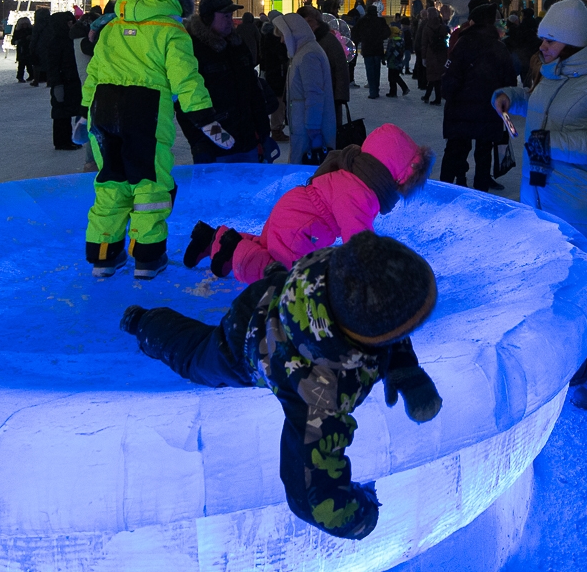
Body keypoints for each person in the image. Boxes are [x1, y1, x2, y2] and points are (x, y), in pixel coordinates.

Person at [121, 232, 440, 541]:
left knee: (288, 282)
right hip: (246, 339)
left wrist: (406, 370)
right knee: (196, 359)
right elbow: (311, 496)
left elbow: (386, 321)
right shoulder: (321, 390)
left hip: (290, 289)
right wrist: (361, 516)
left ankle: (253, 259)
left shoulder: (350, 268)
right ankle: (144, 322)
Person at [492, 0, 587, 410]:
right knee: (561, 280)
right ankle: (580, 357)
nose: (542, 45)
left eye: (550, 40)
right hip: (545, 193)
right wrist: (510, 98)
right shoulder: (555, 71)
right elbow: (543, 106)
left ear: (571, 41)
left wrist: (550, 145)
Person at [81, 0, 233, 279]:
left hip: (103, 107)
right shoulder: (170, 29)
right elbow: (186, 78)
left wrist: (82, 112)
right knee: (149, 183)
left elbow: (94, 73)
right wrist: (205, 118)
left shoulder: (112, 27)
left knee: (110, 180)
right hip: (144, 111)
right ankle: (148, 258)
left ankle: (104, 257)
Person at [184, 123, 433, 281]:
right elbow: (359, 243)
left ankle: (212, 239)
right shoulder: (359, 194)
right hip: (299, 227)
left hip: (293, 211)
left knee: (266, 246)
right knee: (281, 277)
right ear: (391, 175)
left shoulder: (350, 177)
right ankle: (234, 248)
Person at [176, 0, 267, 163]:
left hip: (247, 141)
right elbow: (185, 103)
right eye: (225, 16)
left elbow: (253, 91)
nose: (230, 21)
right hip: (213, 147)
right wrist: (199, 144)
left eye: (231, 15)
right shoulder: (192, 50)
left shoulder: (237, 46)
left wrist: (263, 132)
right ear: (209, 17)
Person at [439, 0, 516, 191]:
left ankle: (445, 191)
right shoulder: (499, 47)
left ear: (473, 21)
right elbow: (510, 82)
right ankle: (480, 192)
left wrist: (449, 92)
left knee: (455, 151)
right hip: (488, 112)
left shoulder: (463, 43)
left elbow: (451, 78)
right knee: (484, 153)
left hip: (460, 112)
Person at [275, 12, 334, 163]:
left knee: (305, 170)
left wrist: (314, 130)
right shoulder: (303, 52)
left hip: (308, 130)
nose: (282, 41)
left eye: (282, 35)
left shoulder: (308, 55)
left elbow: (314, 94)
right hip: (303, 126)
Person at [44, 10, 84, 150]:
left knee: (68, 111)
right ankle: (61, 141)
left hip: (71, 81)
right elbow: (53, 65)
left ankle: (68, 139)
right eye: (68, 23)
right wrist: (57, 83)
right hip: (62, 81)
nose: (71, 25)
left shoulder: (68, 39)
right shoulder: (56, 42)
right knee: (61, 113)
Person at [353, 1, 391, 99]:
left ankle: (372, 91)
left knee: (369, 70)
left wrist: (362, 39)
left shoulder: (362, 21)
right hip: (378, 48)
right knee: (376, 70)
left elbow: (355, 32)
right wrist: (380, 38)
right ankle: (376, 88)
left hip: (367, 49)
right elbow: (387, 32)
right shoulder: (380, 21)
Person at [417, 3, 448, 105]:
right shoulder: (442, 26)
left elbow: (424, 43)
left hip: (431, 53)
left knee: (432, 76)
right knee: (437, 76)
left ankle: (435, 98)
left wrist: (423, 57)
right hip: (442, 53)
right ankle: (429, 96)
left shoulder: (427, 28)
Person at [385, 18, 410, 98]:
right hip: (398, 61)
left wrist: (385, 58)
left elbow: (389, 51)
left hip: (392, 62)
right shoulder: (401, 41)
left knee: (392, 78)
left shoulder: (392, 41)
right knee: (396, 76)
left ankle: (397, 90)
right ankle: (395, 91)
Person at [29, 7, 52, 85]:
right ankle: (49, 80)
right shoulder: (51, 24)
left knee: (37, 63)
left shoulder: (37, 25)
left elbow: (35, 37)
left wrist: (32, 46)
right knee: (49, 63)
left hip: (39, 46)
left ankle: (36, 80)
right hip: (49, 45)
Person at [10, 15, 34, 82]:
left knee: (28, 63)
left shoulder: (30, 30)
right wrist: (17, 41)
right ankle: (21, 77)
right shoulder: (18, 31)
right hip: (21, 49)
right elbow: (13, 40)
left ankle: (31, 75)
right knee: (22, 64)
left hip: (28, 48)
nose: (24, 25)